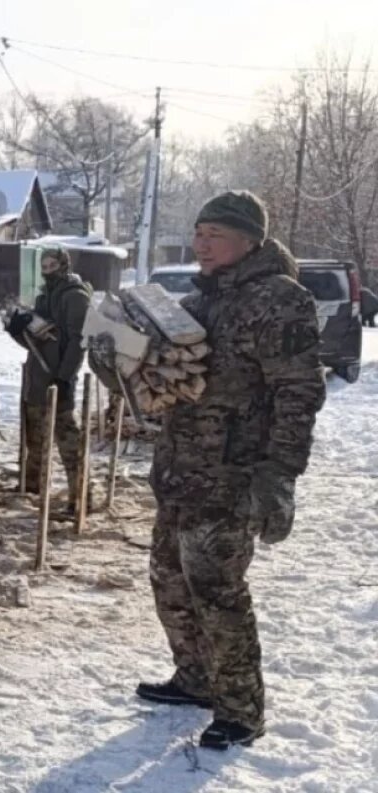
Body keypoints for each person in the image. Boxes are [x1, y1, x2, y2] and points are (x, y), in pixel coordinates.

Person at [139, 191, 326, 750]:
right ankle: (195, 678)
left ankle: (241, 709)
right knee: (169, 579)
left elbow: (298, 391)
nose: (200, 244)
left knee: (217, 590)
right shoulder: (200, 301)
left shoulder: (279, 301)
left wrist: (279, 474)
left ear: (250, 240)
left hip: (233, 474)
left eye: (213, 234)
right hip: (181, 469)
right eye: (198, 232)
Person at [6, 247, 92, 511]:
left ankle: (81, 494)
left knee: (68, 440)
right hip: (38, 376)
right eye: (44, 266)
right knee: (35, 436)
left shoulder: (74, 296)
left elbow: (79, 340)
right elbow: (34, 341)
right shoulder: (45, 297)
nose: (48, 271)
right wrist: (17, 330)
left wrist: (65, 377)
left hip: (58, 378)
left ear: (63, 265)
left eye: (52, 265)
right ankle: (33, 483)